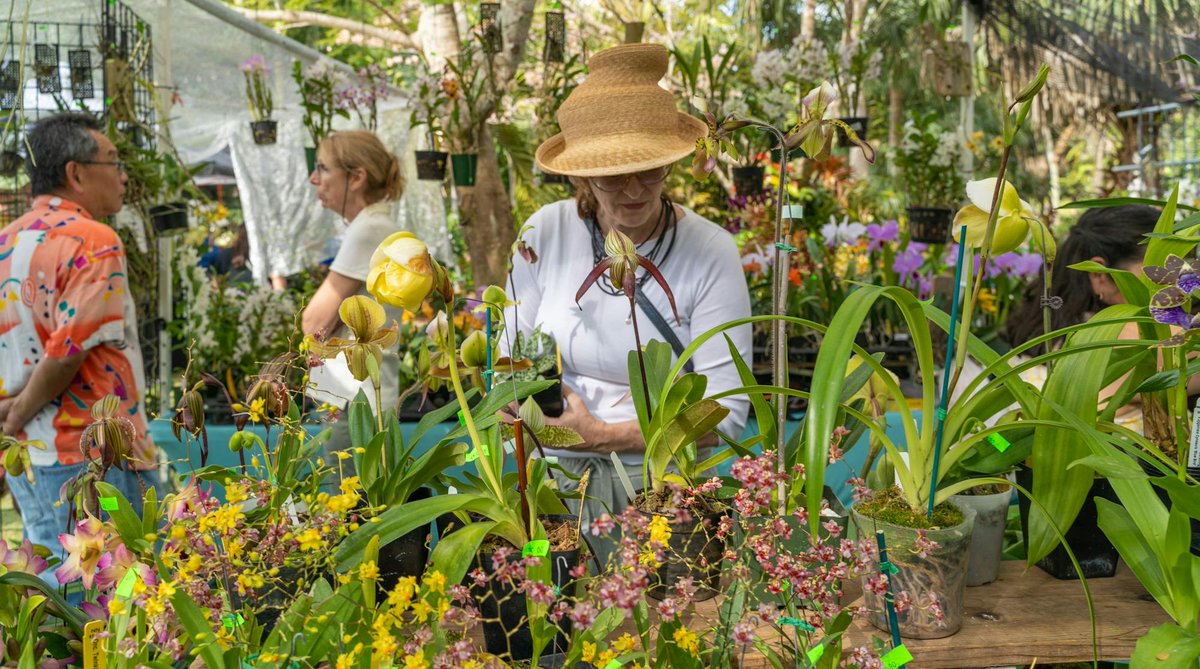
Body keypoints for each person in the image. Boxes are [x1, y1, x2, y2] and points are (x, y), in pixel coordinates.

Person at [504, 44, 752, 557]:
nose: (635, 190)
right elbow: (508, 356)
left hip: (663, 486)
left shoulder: (710, 250)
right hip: (554, 476)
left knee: (659, 600)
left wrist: (600, 434)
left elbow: (726, 413)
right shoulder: (545, 232)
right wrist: (516, 410)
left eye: (651, 170)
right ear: (581, 175)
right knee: (558, 596)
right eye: (613, 175)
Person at [0, 112, 160, 554]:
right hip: (95, 454)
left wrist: (12, 421)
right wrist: (18, 414)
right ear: (76, 173)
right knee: (126, 573)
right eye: (113, 162)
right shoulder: (94, 240)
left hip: (24, 453)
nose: (123, 176)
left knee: (57, 575)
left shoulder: (6, 241)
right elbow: (69, 347)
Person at [300, 130, 406, 477]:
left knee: (349, 505)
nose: (314, 178)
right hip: (354, 397)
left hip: (357, 404)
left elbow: (313, 323)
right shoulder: (374, 224)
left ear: (356, 178)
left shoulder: (369, 229)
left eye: (323, 168)